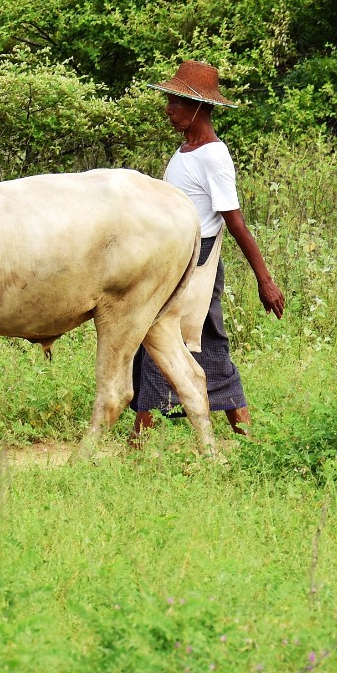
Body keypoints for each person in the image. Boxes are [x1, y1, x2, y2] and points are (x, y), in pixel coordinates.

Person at [130, 59, 284, 441]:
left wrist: (264, 280)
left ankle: (140, 441)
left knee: (161, 342)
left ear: (199, 107)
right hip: (173, 262)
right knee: (202, 344)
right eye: (169, 100)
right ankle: (243, 433)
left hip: (197, 265)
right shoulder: (185, 151)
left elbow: (235, 223)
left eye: (176, 103)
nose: (168, 109)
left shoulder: (214, 156)